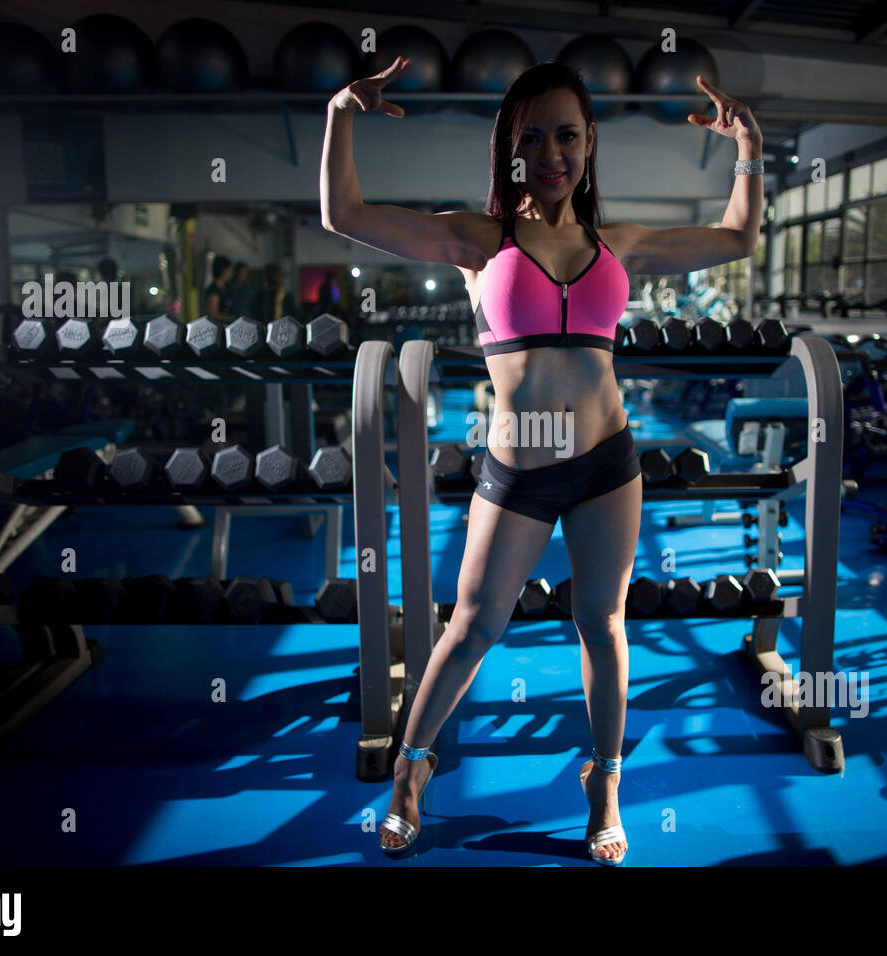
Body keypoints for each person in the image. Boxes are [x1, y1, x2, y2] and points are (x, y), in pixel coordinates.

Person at [322, 58, 762, 864]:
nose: (552, 150)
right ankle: (409, 776)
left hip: (606, 463)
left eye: (567, 133)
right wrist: (339, 113)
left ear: (589, 142)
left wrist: (748, 150)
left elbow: (736, 235)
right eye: (533, 137)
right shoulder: (475, 238)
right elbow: (344, 212)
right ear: (510, 150)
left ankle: (605, 781)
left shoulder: (617, 243)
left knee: (602, 624)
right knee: (471, 627)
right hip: (520, 468)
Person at [203, 255, 235, 322]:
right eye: (229, 270)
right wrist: (229, 318)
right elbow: (212, 313)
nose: (231, 273)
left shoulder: (227, 287)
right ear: (222, 270)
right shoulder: (214, 290)